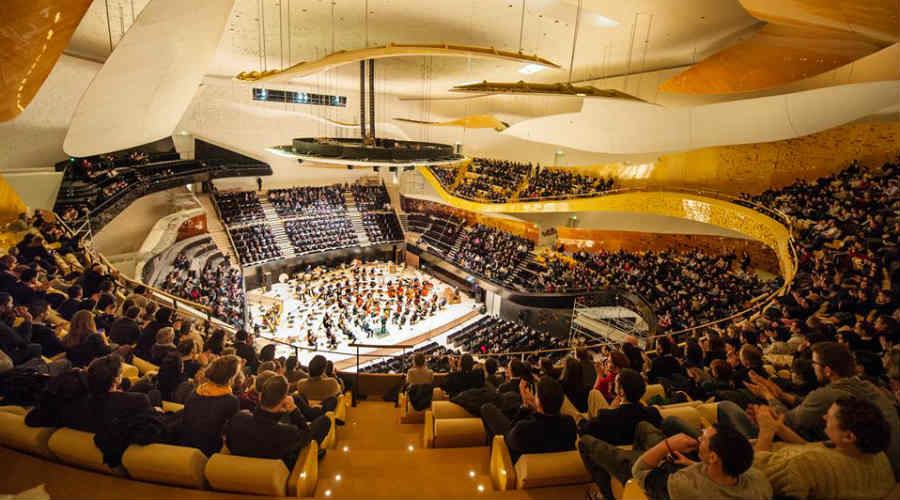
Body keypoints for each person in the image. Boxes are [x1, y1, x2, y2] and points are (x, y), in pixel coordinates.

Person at [725, 341, 900, 480]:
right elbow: (814, 406)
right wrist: (782, 395)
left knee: (732, 410)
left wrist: (768, 396)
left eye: (814, 363)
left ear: (828, 370)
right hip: (887, 461)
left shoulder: (830, 395)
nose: (812, 366)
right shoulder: (866, 385)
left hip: (868, 467)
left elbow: (788, 420)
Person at [752, 397, 896, 499]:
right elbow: (812, 448)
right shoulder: (876, 454)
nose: (824, 417)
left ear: (849, 436)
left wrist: (765, 432)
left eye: (830, 416)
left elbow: (753, 475)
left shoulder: (805, 465)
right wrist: (779, 428)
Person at [630, 425, 772, 500]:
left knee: (645, 430)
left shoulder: (685, 487)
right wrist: (691, 463)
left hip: (656, 479)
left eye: (703, 438)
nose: (698, 438)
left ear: (712, 458)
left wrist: (667, 444)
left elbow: (639, 472)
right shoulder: (759, 481)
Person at [225, 375, 331, 467]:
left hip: (241, 469)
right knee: (325, 420)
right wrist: (294, 410)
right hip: (276, 470)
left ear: (260, 396)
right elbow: (306, 436)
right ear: (284, 400)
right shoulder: (287, 432)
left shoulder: (238, 418)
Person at [480, 376, 577, 464]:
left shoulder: (524, 428)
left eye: (536, 394)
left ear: (538, 400)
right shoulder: (569, 423)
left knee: (487, 408)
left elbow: (509, 435)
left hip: (520, 459)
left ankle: (493, 457)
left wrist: (524, 405)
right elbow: (547, 420)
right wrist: (534, 408)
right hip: (553, 463)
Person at [176, 355, 242, 456]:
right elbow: (230, 433)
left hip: (183, 442)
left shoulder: (197, 390)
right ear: (231, 378)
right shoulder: (231, 401)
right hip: (208, 450)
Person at [578, 369, 662, 445]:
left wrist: (580, 420)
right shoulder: (653, 413)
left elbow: (583, 432)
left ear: (621, 391)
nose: (613, 385)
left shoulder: (606, 417)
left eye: (615, 383)